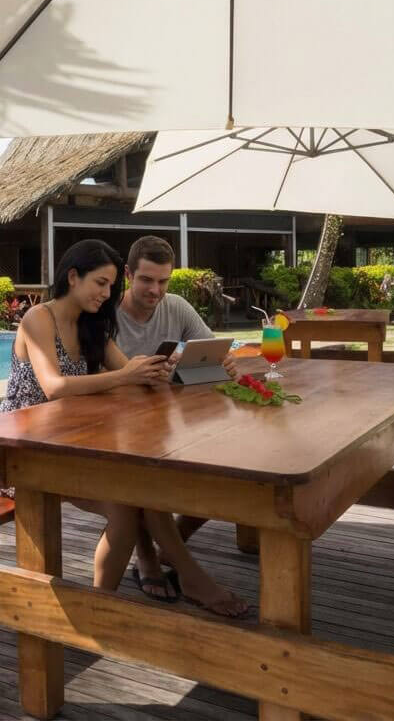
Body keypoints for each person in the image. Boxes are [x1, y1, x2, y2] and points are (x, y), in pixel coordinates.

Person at [0, 239, 248, 617]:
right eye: (100, 283)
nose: (106, 293)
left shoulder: (92, 323)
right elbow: (53, 387)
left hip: (69, 441)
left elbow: (131, 373)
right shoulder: (39, 319)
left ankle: (101, 607)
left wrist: (166, 370)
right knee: (135, 493)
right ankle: (192, 579)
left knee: (131, 501)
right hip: (21, 451)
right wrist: (127, 374)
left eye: (111, 286)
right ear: (72, 276)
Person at [113, 235, 248, 615]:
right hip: (116, 426)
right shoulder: (107, 316)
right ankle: (165, 564)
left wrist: (222, 364)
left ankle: (167, 546)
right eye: (146, 280)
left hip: (167, 420)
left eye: (164, 281)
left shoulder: (176, 307)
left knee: (228, 466)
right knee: (144, 478)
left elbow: (211, 352)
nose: (156, 290)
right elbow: (100, 379)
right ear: (128, 274)